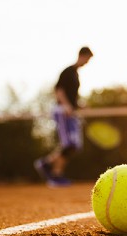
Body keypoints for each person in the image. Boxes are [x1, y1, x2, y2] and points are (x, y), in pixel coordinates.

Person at [34, 46, 93, 187]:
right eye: (88, 59)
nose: (87, 62)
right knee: (68, 144)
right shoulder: (68, 71)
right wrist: (66, 105)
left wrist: (78, 104)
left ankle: (46, 163)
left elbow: (72, 96)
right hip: (62, 111)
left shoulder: (76, 74)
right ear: (82, 56)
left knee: (74, 146)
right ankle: (55, 175)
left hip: (71, 112)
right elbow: (59, 89)